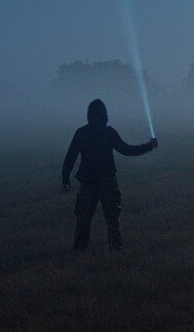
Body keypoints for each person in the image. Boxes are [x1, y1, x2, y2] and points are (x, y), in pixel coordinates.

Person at [62, 98, 158, 251]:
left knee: (84, 219)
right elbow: (127, 150)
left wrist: (65, 179)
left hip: (88, 182)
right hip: (106, 181)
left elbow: (70, 156)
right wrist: (149, 146)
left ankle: (80, 249)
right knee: (112, 219)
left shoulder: (82, 133)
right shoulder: (108, 133)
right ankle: (115, 249)